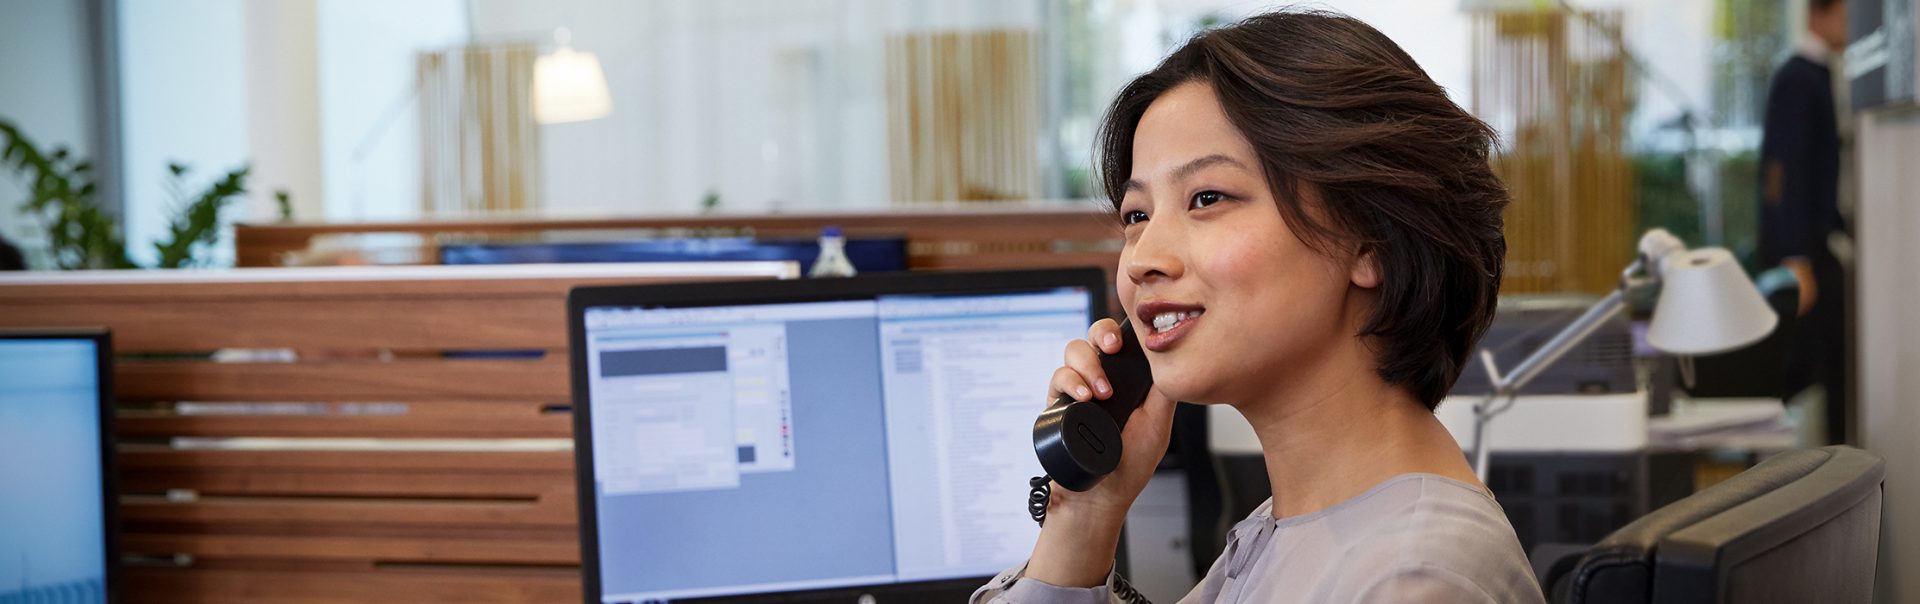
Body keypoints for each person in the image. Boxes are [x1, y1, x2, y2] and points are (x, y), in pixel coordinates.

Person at [972, 10, 1540, 604]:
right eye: (1137, 216)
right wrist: (1085, 511)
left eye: (1207, 198)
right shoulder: (1299, 529)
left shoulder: (1412, 581)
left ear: (1372, 243)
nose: (1143, 260)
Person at [1758, 0, 1850, 444]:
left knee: (1830, 360)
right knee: (1807, 364)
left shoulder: (1815, 73)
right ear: (1824, 12)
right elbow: (1782, 172)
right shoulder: (1798, 77)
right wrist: (1796, 259)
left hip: (1813, 245)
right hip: (1801, 254)